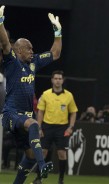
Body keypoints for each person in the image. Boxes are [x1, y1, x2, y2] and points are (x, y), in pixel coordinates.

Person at [0, 5, 62, 183]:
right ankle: (43, 166)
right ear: (19, 51)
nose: (32, 51)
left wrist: (58, 32)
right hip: (11, 114)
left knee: (29, 156)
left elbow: (55, 53)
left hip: (25, 117)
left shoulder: (33, 63)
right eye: (29, 49)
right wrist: (0, 22)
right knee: (34, 125)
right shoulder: (11, 61)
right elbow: (5, 43)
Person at [31, 70, 78, 184]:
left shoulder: (68, 95)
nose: (57, 81)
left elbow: (73, 112)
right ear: (52, 80)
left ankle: (61, 179)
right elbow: (40, 112)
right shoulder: (46, 94)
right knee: (43, 152)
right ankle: (38, 178)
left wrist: (70, 127)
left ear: (63, 80)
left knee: (62, 153)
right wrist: (39, 127)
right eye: (56, 78)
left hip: (62, 127)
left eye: (59, 78)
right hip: (47, 126)